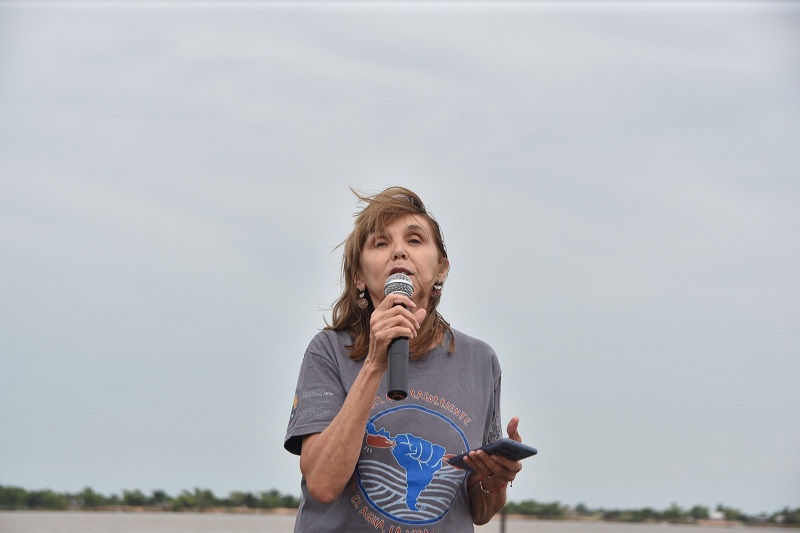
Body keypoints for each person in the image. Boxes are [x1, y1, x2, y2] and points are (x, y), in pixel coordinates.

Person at [284, 186, 526, 532]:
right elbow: (322, 484)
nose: (399, 251)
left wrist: (495, 480)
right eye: (380, 243)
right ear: (359, 276)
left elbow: (479, 510)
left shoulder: (480, 360)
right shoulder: (328, 351)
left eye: (414, 240)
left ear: (441, 269)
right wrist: (374, 363)